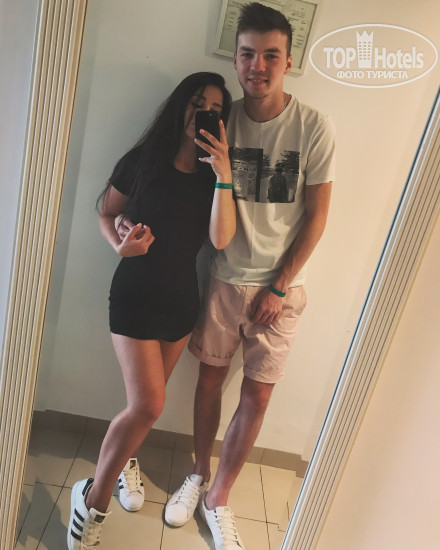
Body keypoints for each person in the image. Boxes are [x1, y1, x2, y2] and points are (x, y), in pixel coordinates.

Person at [164, 4, 336, 550]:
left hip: (283, 288)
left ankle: (219, 497)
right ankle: (198, 473)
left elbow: (318, 217)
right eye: (247, 54)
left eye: (270, 55)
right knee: (208, 381)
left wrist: (280, 284)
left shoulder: (313, 126)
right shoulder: (221, 120)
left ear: (288, 61)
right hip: (224, 275)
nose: (257, 66)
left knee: (257, 397)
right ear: (235, 60)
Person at [67, 72, 235, 550]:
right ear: (181, 104)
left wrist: (224, 172)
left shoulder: (213, 176)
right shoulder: (141, 161)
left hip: (180, 303)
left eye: (214, 109)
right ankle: (92, 503)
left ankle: (124, 464)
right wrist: (119, 245)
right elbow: (106, 212)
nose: (202, 113)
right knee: (148, 405)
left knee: (142, 409)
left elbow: (221, 238)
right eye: (196, 102)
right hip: (135, 294)